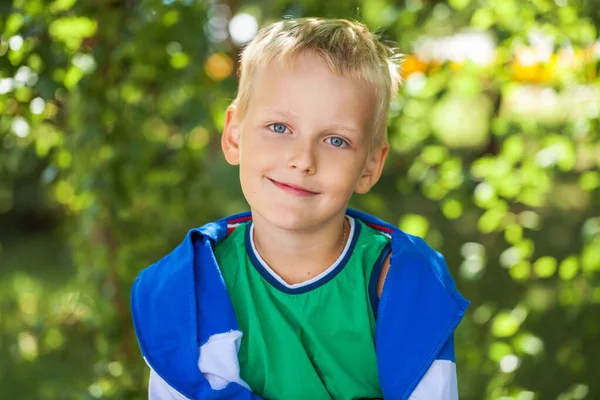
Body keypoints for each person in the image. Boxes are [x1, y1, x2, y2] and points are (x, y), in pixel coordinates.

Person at [131, 17, 469, 400]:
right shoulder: (189, 287)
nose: (302, 159)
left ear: (371, 166)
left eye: (336, 140)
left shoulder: (399, 282)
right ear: (234, 135)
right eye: (279, 128)